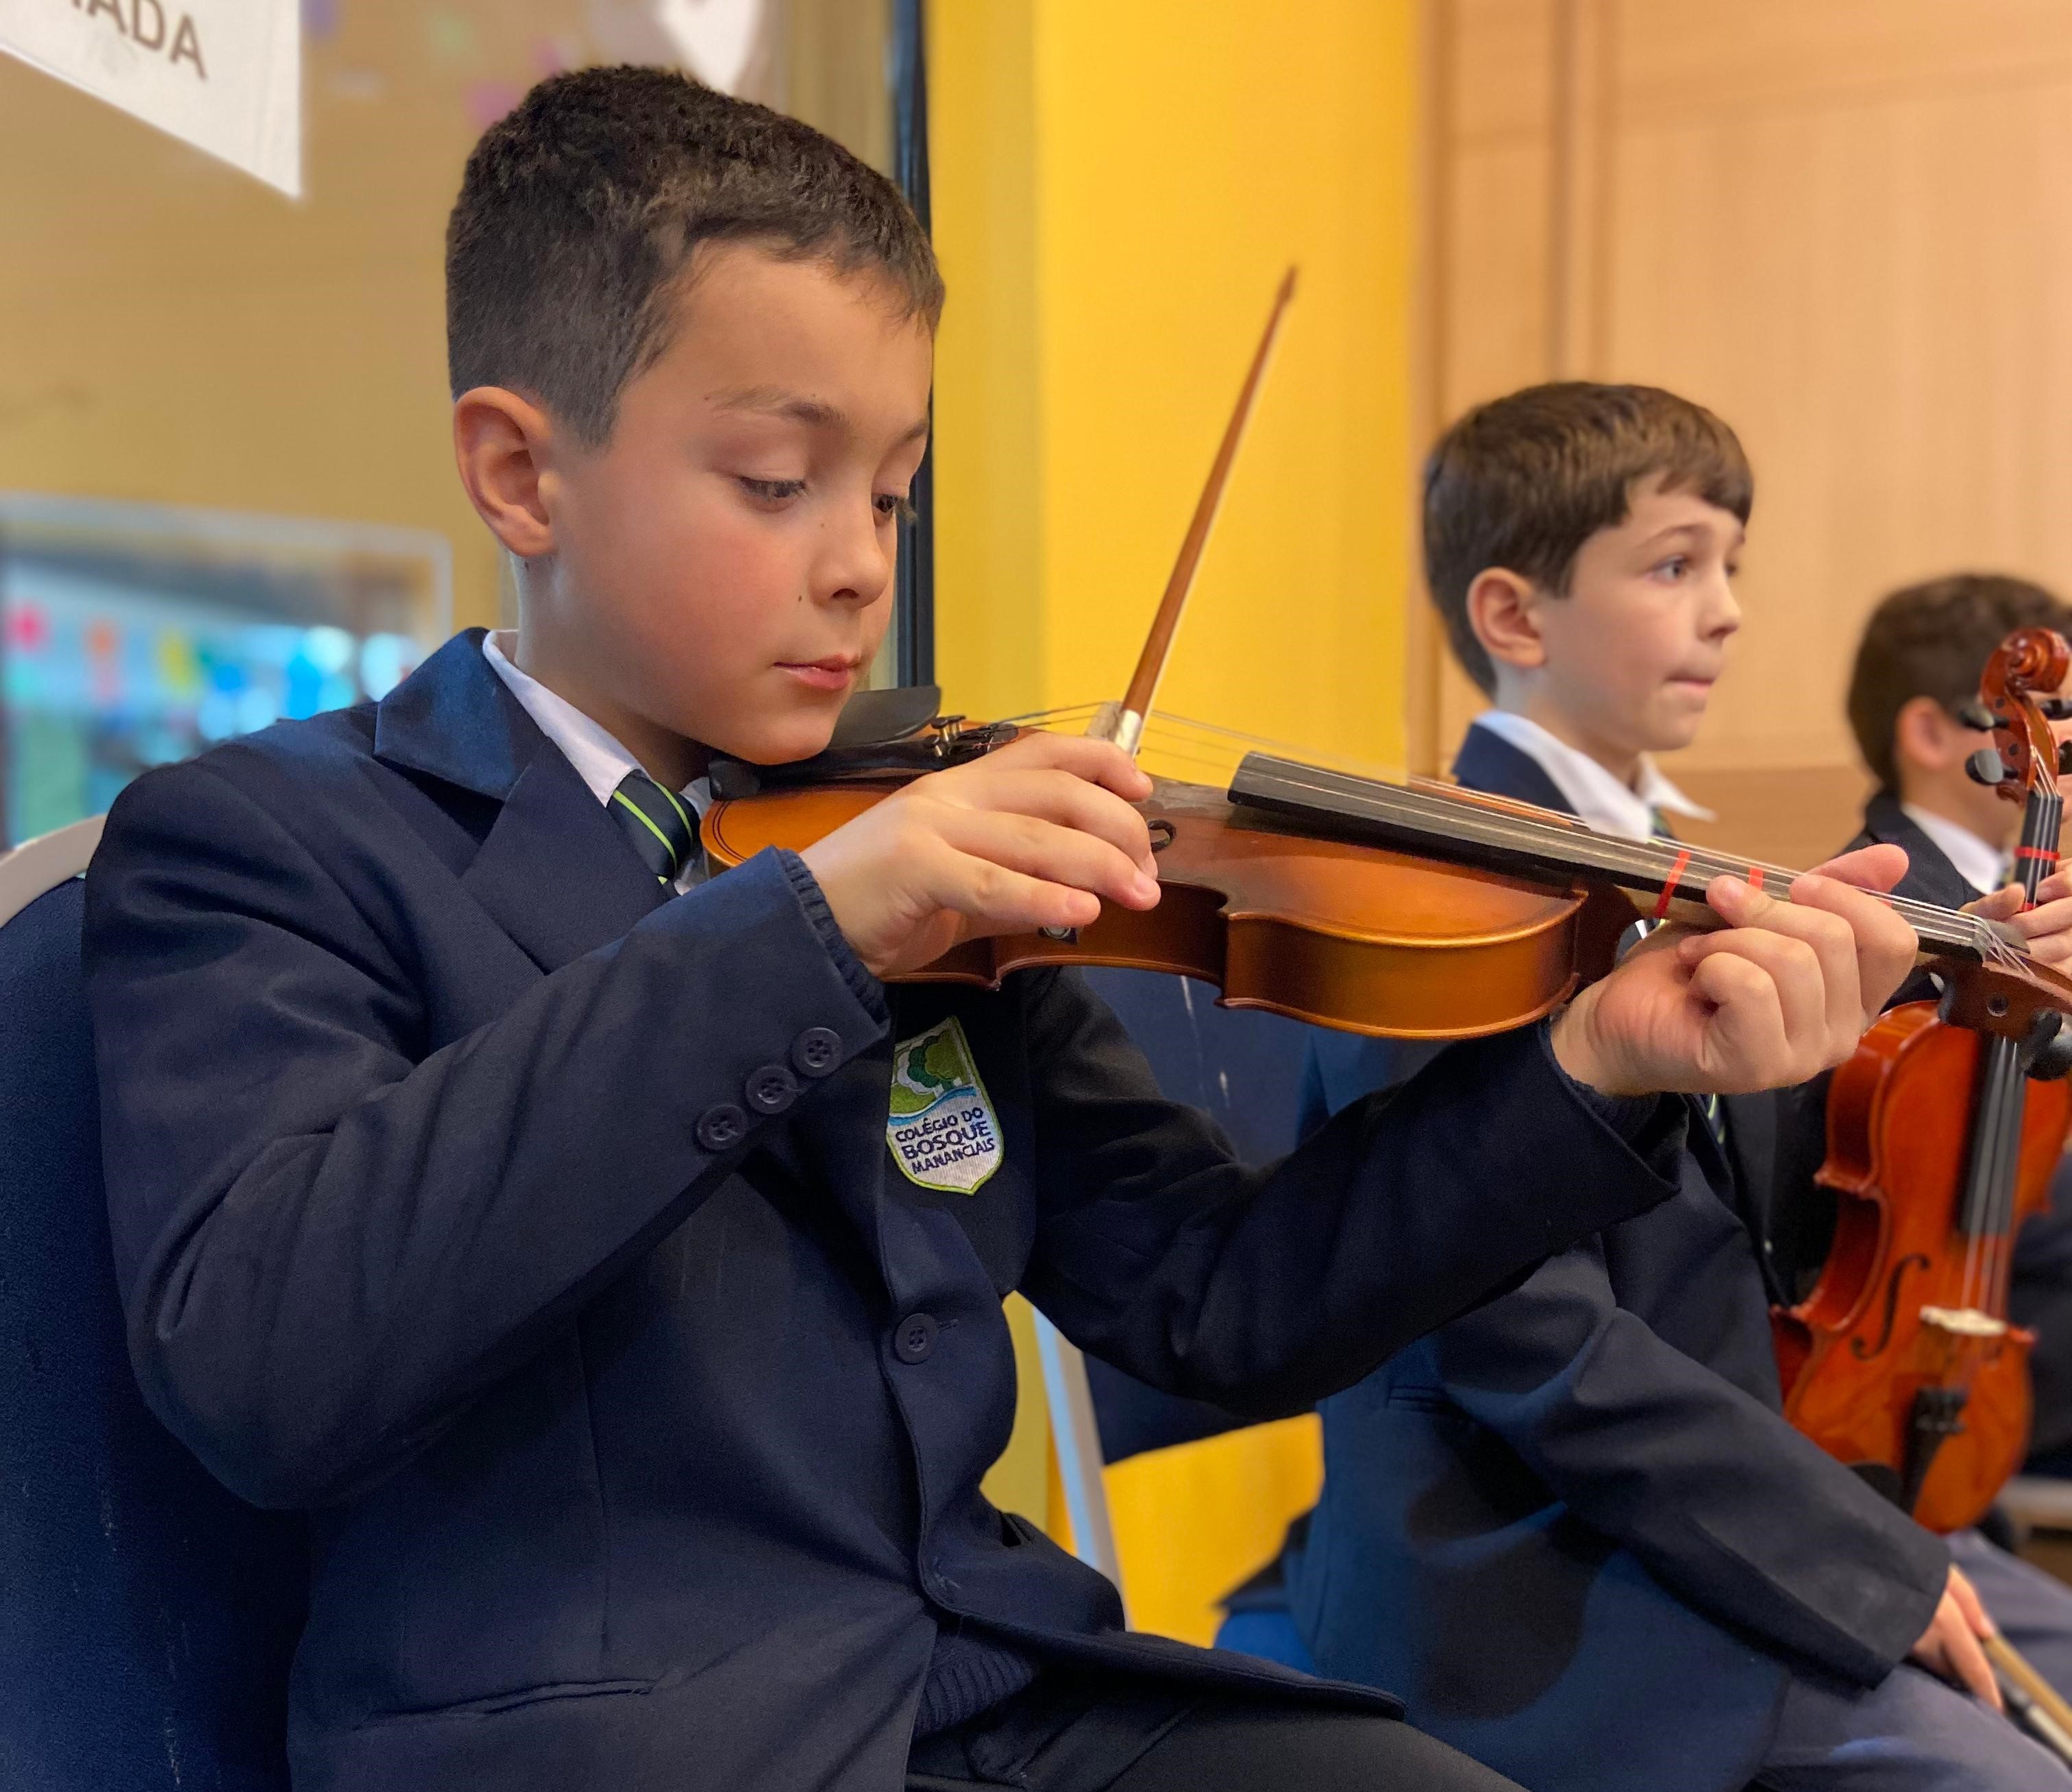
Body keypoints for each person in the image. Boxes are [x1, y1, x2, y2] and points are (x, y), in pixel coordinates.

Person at [84, 81, 1914, 1792]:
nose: (863, 565)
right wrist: (807, 933)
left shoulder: (923, 862)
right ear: (519, 475)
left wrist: (1586, 1063)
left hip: (999, 1686)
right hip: (626, 1745)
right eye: (778, 482)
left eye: (893, 490)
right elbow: (268, 1359)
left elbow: (1220, 1303)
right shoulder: (267, 843)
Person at [1248, 384, 2072, 1792]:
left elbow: (1794, 1220)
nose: (1731, 609)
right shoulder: (1448, 904)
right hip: (1534, 1576)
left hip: (1714, 1510)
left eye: (1733, 566)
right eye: (1677, 564)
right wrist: (1856, 1561)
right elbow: (1533, 1350)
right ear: (1515, 617)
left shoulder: (1687, 873)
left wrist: (2003, 1000)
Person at [1837, 574, 2072, 1499]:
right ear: (1934, 734)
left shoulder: (2039, 892)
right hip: (1939, 1336)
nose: (2062, 738)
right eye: (2052, 712)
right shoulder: (1889, 910)